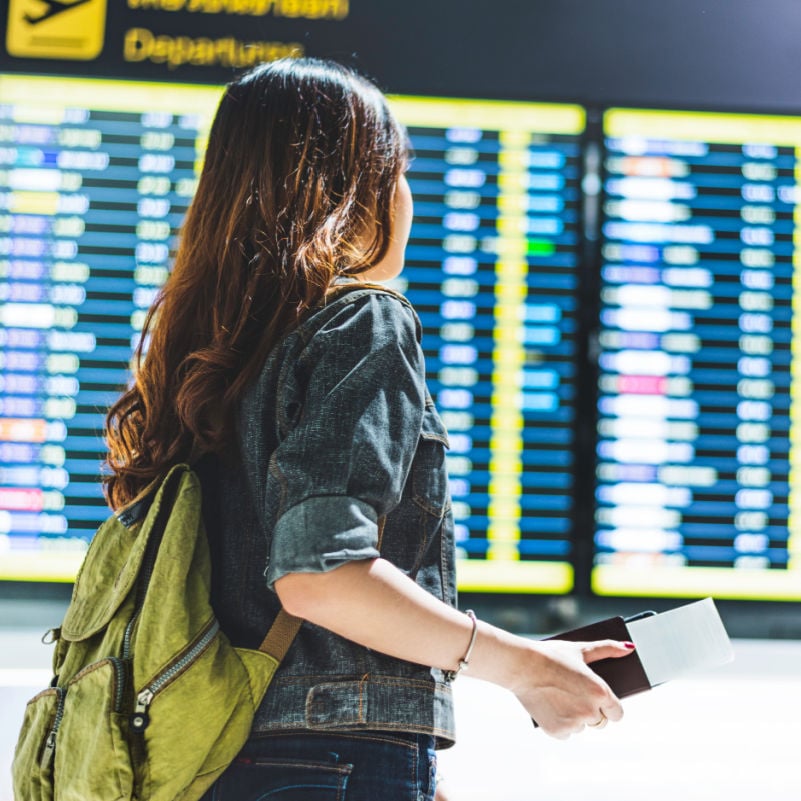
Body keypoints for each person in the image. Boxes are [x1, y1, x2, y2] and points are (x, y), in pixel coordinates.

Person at [104, 57, 634, 801]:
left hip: (209, 764)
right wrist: (526, 667)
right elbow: (319, 576)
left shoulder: (204, 354)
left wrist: (411, 762)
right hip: (322, 768)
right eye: (399, 172)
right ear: (358, 191)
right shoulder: (362, 320)